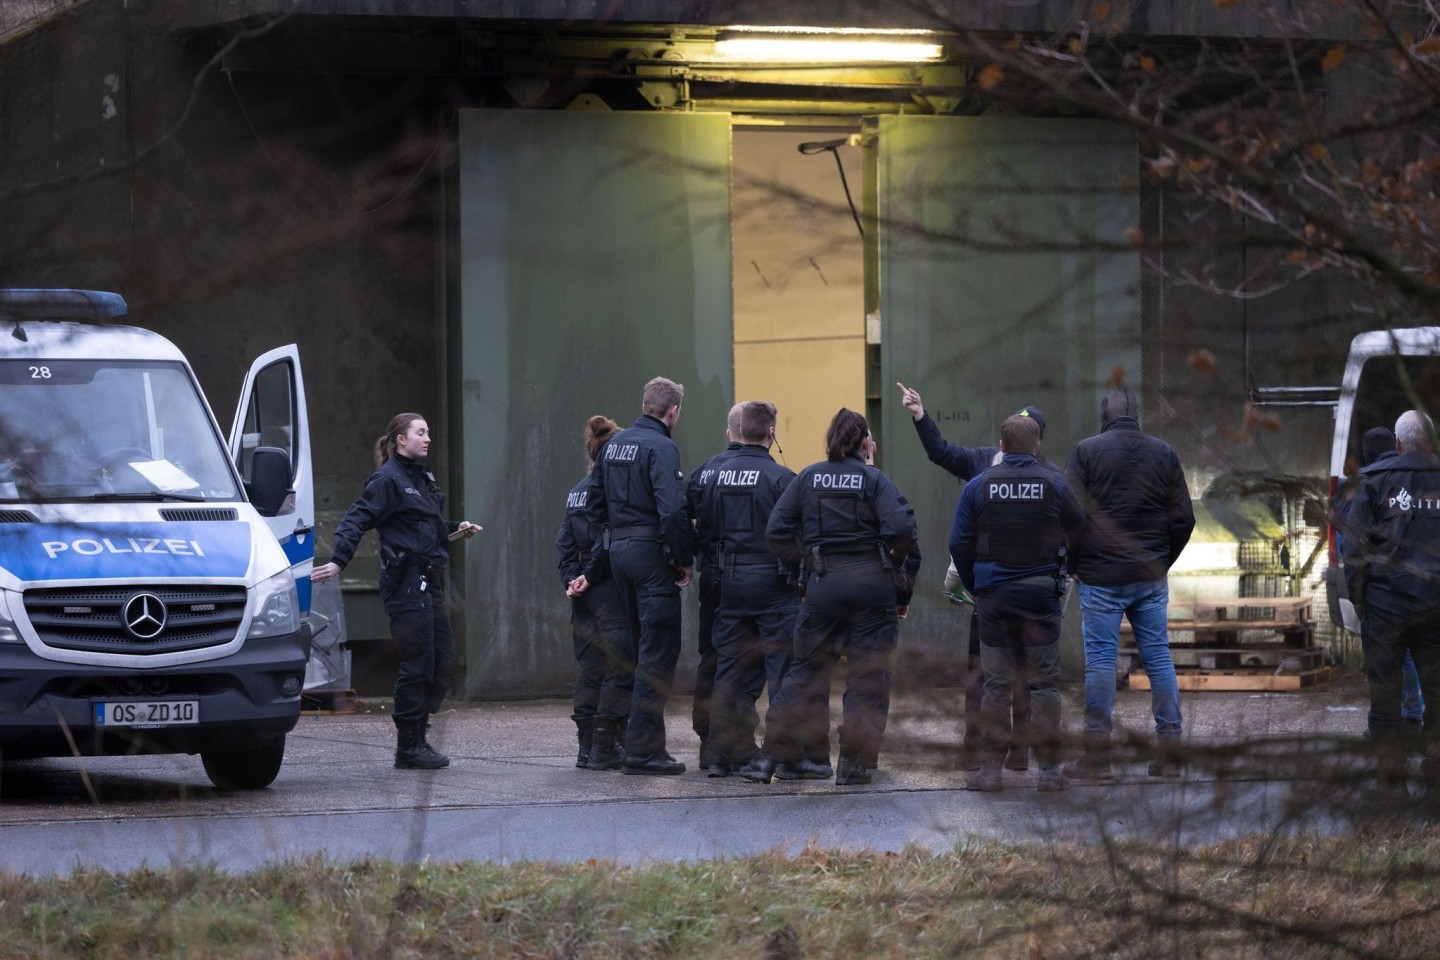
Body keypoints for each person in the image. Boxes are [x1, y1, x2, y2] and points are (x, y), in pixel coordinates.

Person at [739, 408, 918, 786]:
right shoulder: (874, 480)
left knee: (802, 674)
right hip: (872, 586)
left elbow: (777, 531)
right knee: (867, 678)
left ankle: (767, 760)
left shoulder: (807, 478)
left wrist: (806, 563)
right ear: (865, 442)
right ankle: (853, 764)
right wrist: (894, 565)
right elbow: (902, 528)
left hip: (824, 587)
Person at [313, 413, 480, 770]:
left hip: (430, 581)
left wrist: (456, 528)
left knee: (443, 663)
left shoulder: (422, 478)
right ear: (400, 440)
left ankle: (419, 728)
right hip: (405, 584)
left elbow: (424, 527)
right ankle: (410, 745)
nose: (428, 438)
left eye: (428, 432)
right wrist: (340, 560)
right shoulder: (387, 479)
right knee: (418, 662)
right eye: (420, 432)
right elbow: (356, 518)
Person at [896, 381, 1040, 772]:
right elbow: (941, 452)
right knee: (989, 672)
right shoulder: (990, 464)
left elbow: (960, 540)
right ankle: (977, 746)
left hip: (995, 590)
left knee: (1010, 673)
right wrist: (920, 416)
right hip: (1009, 592)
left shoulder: (1035, 476)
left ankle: (1016, 751)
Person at [1063, 387, 1195, 780]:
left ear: (1104, 415)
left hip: (1101, 577)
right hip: (1149, 576)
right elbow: (1184, 518)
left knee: (1102, 661)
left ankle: (1097, 759)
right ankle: (1170, 751)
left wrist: (1075, 563)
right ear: (1136, 415)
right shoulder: (1164, 452)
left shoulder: (1086, 451)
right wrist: (1161, 562)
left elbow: (1069, 513)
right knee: (1158, 658)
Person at [950, 414, 1085, 792]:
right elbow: (1081, 530)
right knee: (1043, 684)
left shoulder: (978, 487)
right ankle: (1049, 772)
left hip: (994, 597)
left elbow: (958, 542)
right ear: (1037, 446)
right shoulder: (1055, 485)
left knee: (995, 683)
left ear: (1002, 446)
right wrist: (1066, 571)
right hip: (1040, 595)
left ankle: (991, 772)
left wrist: (977, 584)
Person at [579, 376, 696, 775]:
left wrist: (618, 533)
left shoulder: (613, 446)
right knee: (658, 652)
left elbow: (592, 505)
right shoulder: (662, 447)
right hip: (650, 557)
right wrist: (683, 558)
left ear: (646, 403)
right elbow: (672, 511)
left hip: (619, 556)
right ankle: (642, 751)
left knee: (636, 649)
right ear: (673, 410)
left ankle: (644, 746)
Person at [698, 401, 806, 777]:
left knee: (729, 668)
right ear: (772, 432)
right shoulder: (782, 479)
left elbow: (706, 529)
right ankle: (782, 755)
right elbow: (798, 534)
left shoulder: (714, 476)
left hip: (730, 582)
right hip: (774, 585)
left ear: (739, 430)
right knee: (781, 669)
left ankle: (721, 753)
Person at [1343, 409, 1440, 794]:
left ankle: (1391, 783)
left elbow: (1354, 552)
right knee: (1437, 695)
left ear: (1398, 445)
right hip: (1435, 605)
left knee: (1384, 698)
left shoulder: (1376, 481)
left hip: (1385, 607)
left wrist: (1364, 605)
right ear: (1430, 441)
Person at [1335, 426, 1425, 733]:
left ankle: (1390, 759)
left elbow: (1351, 547)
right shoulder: (1415, 480)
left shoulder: (1365, 482)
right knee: (1419, 664)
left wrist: (1361, 601)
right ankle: (1416, 718)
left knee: (1385, 679)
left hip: (1384, 596)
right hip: (1426, 593)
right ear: (1396, 445)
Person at [556, 415, 634, 770]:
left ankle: (585, 747)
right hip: (608, 587)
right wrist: (590, 575)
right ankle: (606, 746)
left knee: (590, 668)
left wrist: (572, 579)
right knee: (619, 667)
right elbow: (608, 540)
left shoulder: (575, 491)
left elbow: (564, 543)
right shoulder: (612, 491)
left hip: (583, 594)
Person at [685, 404, 745, 770]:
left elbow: (679, 515)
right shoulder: (771, 472)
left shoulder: (703, 472)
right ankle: (735, 741)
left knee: (711, 655)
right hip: (753, 576)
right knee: (744, 659)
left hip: (712, 574)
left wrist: (692, 556)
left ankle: (708, 739)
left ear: (728, 433)